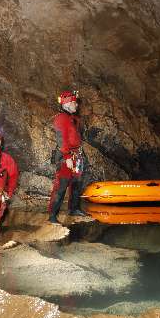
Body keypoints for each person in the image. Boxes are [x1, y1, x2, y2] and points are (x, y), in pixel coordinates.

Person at [48, 89, 90, 222]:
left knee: (77, 183)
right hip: (66, 155)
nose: (76, 105)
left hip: (77, 154)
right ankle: (52, 215)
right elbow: (62, 139)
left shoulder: (74, 118)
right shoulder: (61, 118)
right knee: (61, 184)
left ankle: (74, 208)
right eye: (74, 102)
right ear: (67, 104)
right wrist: (66, 157)